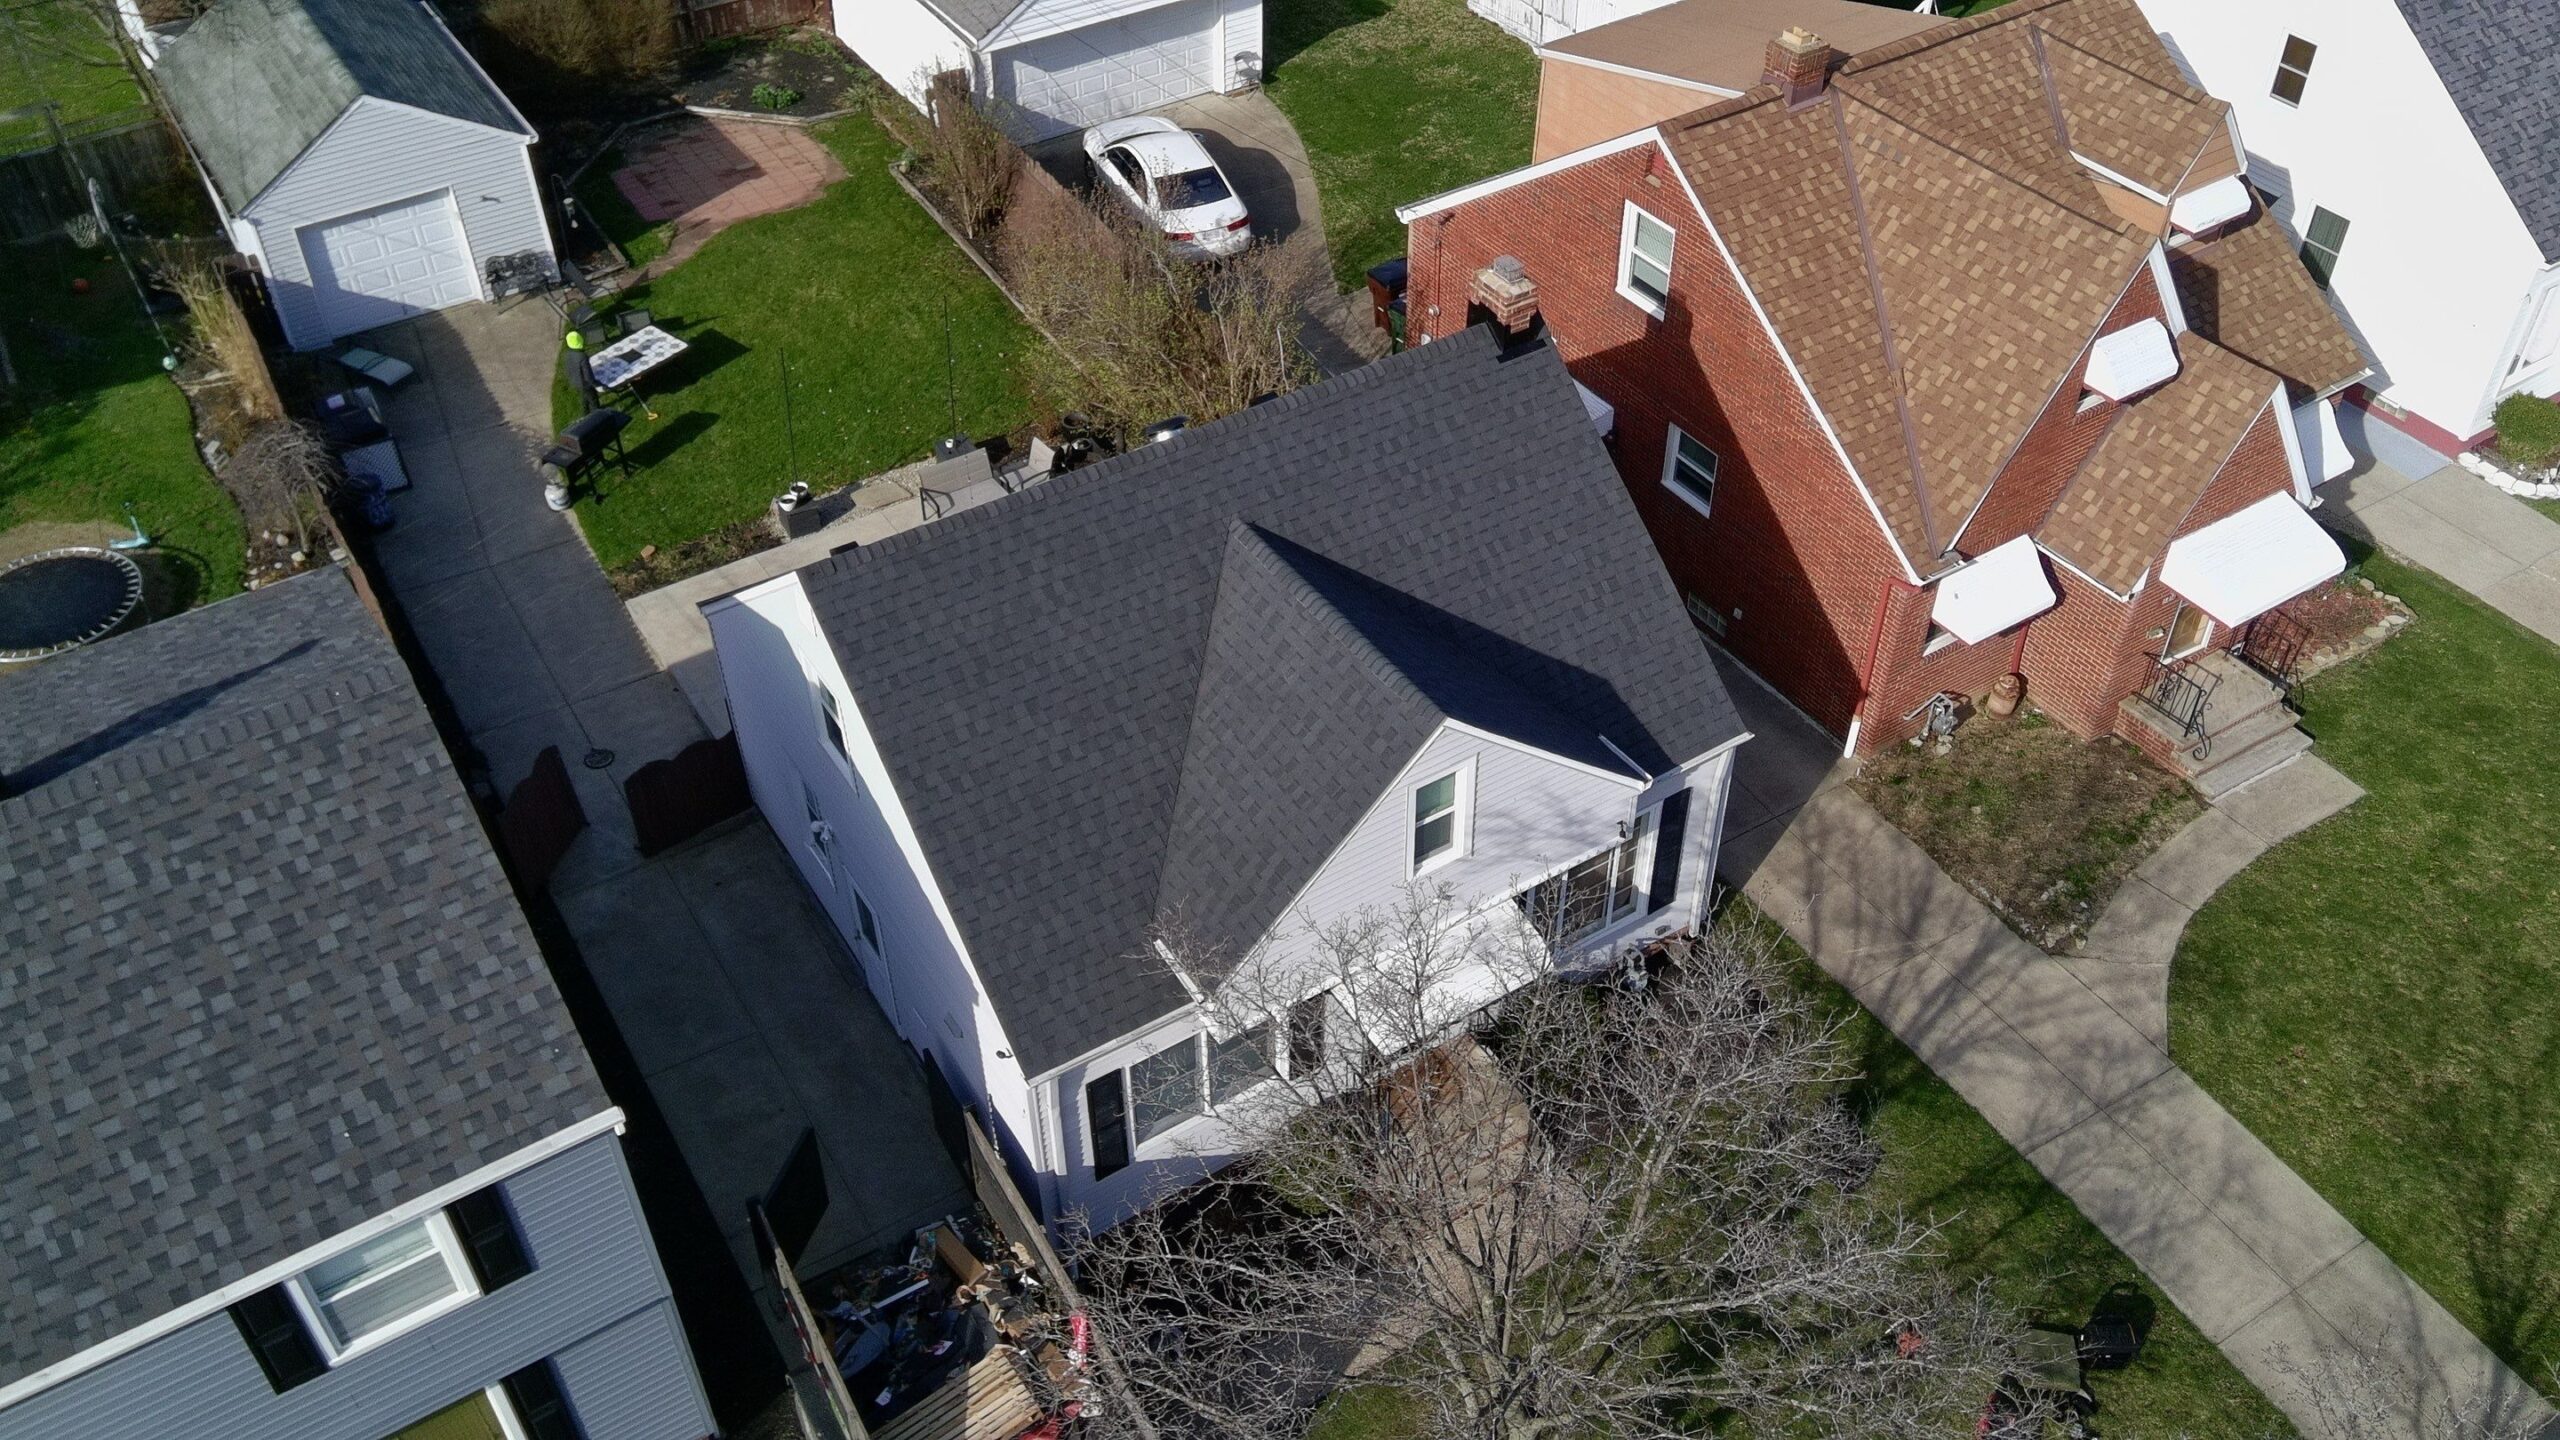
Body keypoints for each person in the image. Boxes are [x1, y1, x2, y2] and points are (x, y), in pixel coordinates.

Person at [560, 329, 598, 415]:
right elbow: (587, 374)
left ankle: (585, 413)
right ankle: (596, 415)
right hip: (585, 383)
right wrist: (594, 383)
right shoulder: (582, 356)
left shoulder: (568, 354)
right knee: (593, 399)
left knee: (585, 397)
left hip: (575, 381)